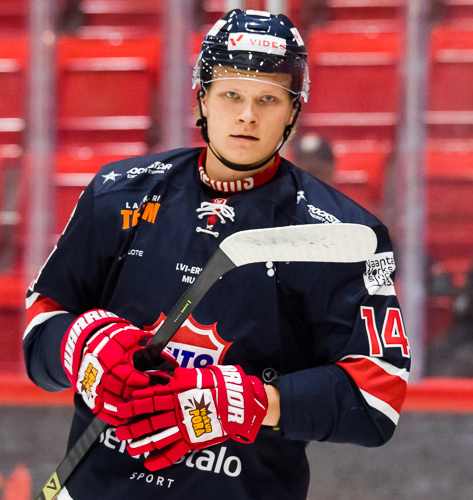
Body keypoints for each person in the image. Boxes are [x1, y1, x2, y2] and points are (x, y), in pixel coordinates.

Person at [23, 9, 410, 499]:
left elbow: (377, 399)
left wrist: (254, 402)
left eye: (268, 99)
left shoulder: (343, 236)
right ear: (202, 98)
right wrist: (81, 348)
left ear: (293, 112)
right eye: (231, 94)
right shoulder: (118, 193)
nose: (248, 114)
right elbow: (42, 328)